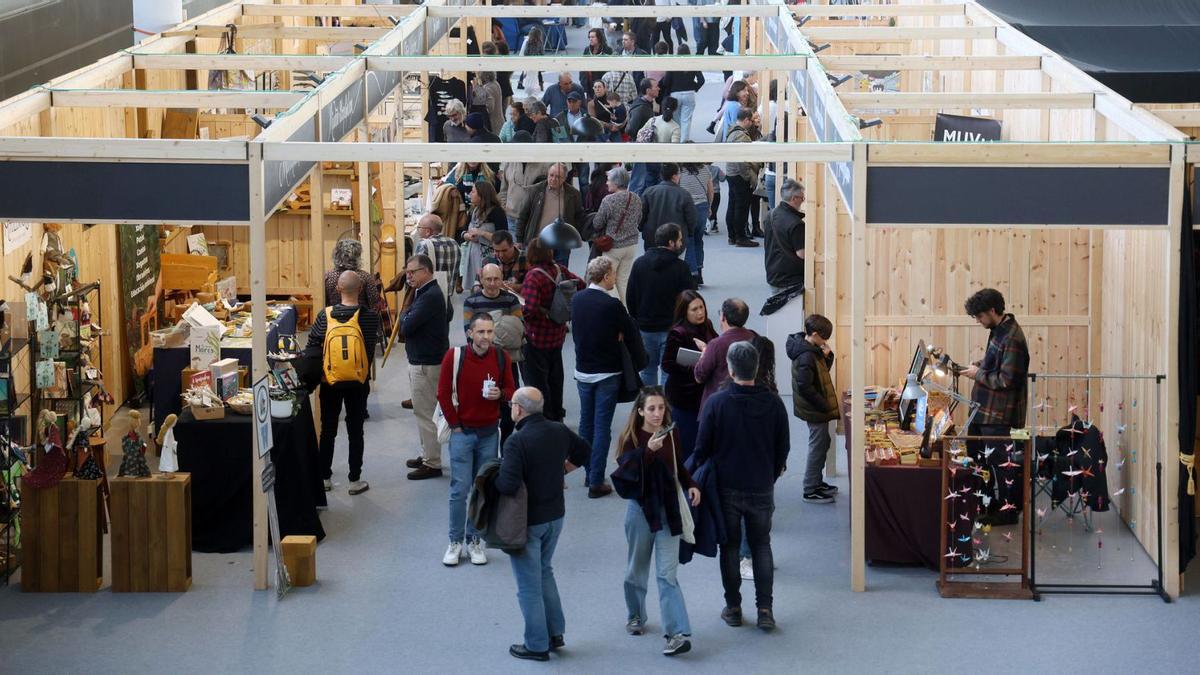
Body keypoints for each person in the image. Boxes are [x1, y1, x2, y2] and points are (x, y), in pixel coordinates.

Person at [692, 341, 790, 632]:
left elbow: (702, 449)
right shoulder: (774, 403)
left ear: (730, 369)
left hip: (726, 488)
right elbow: (783, 448)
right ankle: (765, 610)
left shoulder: (716, 403)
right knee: (761, 545)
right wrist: (769, 476)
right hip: (761, 486)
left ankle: (733, 607)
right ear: (756, 368)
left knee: (730, 547)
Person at [496, 387, 591, 662]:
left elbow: (508, 484)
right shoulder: (558, 430)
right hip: (555, 516)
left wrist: (492, 477)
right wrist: (562, 471)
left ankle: (536, 645)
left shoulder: (516, 441)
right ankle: (555, 632)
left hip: (528, 521)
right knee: (545, 571)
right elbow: (584, 451)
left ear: (518, 409)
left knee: (528, 585)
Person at [613, 387, 700, 656]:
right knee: (636, 570)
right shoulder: (631, 437)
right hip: (641, 511)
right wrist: (648, 451)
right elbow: (625, 474)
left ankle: (676, 633)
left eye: (661, 408)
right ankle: (636, 614)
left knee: (667, 575)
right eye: (651, 408)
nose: (657, 413)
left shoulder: (671, 433)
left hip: (668, 509)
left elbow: (677, 465)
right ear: (640, 411)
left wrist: (691, 484)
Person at [438, 313, 517, 567]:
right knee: (459, 489)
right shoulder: (455, 356)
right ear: (470, 333)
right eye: (481, 332)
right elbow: (443, 394)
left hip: (489, 433)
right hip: (463, 432)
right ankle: (454, 541)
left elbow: (512, 391)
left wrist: (500, 394)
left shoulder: (501, 357)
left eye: (490, 332)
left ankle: (474, 540)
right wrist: (456, 426)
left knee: (481, 489)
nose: (486, 337)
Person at [570, 256, 642, 498]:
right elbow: (630, 330)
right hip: (607, 372)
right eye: (613, 273)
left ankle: (589, 472)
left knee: (586, 424)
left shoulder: (577, 299)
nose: (615, 277)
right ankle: (596, 480)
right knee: (602, 427)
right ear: (606, 276)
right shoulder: (612, 305)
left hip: (583, 371)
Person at [304, 270, 380, 496]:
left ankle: (324, 478)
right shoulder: (370, 317)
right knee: (356, 430)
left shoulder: (324, 315)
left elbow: (312, 347)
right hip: (359, 381)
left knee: (328, 429)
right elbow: (369, 348)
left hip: (331, 381)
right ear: (361, 289)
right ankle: (354, 480)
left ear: (337, 289)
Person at [960, 288, 1030, 523]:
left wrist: (977, 374)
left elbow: (1007, 380)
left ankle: (1008, 513)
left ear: (992, 311)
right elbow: (996, 363)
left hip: (998, 416)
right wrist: (979, 364)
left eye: (980, 316)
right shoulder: (999, 330)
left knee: (1002, 466)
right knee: (978, 459)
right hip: (984, 412)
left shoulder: (1013, 338)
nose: (978, 321)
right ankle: (987, 505)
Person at [520, 239, 584, 423]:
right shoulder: (559, 269)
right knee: (555, 378)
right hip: (557, 334)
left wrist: (519, 308)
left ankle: (544, 419)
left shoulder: (533, 276)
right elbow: (580, 284)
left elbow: (529, 309)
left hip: (536, 337)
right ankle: (557, 415)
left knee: (538, 382)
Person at [400, 254, 450, 480]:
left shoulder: (429, 296)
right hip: (424, 359)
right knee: (423, 411)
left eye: (413, 272)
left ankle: (432, 463)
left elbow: (406, 326)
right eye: (407, 272)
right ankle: (427, 454)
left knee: (426, 413)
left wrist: (405, 313)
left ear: (427, 271)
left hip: (426, 363)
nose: (408, 276)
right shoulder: (426, 292)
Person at [627, 223, 695, 386]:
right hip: (672, 328)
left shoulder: (639, 264)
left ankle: (649, 401)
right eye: (679, 240)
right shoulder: (681, 268)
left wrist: (639, 319)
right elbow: (689, 299)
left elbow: (631, 297)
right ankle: (666, 402)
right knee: (669, 371)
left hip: (646, 327)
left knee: (647, 370)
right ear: (671, 242)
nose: (681, 243)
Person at [787, 314, 840, 504]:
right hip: (814, 409)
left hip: (815, 407)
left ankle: (816, 482)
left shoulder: (811, 349)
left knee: (823, 443)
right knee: (817, 446)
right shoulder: (806, 355)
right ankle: (810, 489)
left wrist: (827, 357)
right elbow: (805, 386)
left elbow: (820, 374)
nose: (825, 341)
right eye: (824, 337)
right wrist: (824, 405)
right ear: (815, 334)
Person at [662, 290, 718, 460]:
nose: (700, 312)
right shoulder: (678, 333)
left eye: (701, 307)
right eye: (694, 309)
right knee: (687, 446)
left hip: (704, 394)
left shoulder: (707, 325)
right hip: (685, 397)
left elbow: (716, 346)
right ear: (684, 311)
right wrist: (698, 365)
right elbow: (667, 364)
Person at [591, 165, 643, 303]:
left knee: (608, 282)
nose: (607, 183)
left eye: (609, 180)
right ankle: (625, 310)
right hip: (631, 246)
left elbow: (597, 224)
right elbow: (639, 219)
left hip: (613, 247)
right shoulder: (636, 198)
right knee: (623, 281)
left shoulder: (608, 200)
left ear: (616, 182)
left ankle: (618, 309)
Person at [694, 298, 757, 411]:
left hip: (718, 408)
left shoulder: (716, 345)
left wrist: (704, 351)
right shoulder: (755, 338)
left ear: (723, 316)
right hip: (749, 404)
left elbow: (699, 376)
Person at [516, 163, 585, 253]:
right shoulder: (534, 191)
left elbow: (579, 217)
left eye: (558, 177)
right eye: (551, 175)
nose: (553, 179)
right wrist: (519, 239)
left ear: (564, 178)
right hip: (537, 242)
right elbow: (522, 217)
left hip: (562, 244)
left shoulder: (574, 194)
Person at [724, 108, 762, 248]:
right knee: (741, 207)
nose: (752, 123)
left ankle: (732, 236)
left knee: (732, 205)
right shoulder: (742, 135)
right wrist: (748, 177)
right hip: (740, 176)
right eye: (751, 120)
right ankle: (741, 237)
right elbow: (743, 160)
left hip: (731, 173)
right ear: (746, 120)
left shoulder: (731, 131)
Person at [639, 163, 698, 250]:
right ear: (674, 176)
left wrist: (641, 228)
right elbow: (691, 218)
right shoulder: (684, 194)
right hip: (675, 240)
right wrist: (689, 233)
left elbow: (641, 215)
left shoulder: (649, 192)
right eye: (679, 173)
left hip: (652, 238)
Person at [462, 181, 508, 292]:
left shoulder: (497, 212)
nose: (470, 194)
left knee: (487, 286)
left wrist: (482, 233)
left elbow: (503, 237)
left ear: (482, 195)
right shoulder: (473, 211)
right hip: (473, 254)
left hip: (489, 256)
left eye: (473, 191)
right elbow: (463, 232)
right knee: (475, 287)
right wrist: (468, 236)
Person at [413, 214, 461, 317]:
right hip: (446, 301)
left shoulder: (424, 245)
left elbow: (415, 275)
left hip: (427, 301)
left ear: (428, 231)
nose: (418, 230)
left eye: (419, 227)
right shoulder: (454, 243)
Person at [764, 178, 806, 293]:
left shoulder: (770, 215)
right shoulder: (796, 224)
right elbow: (802, 254)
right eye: (802, 198)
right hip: (790, 278)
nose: (802, 201)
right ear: (794, 198)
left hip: (773, 272)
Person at [497, 134, 547, 231]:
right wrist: (505, 206)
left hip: (533, 218)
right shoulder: (509, 163)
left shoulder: (543, 165)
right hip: (511, 217)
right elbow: (504, 189)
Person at [678, 159, 713, 284]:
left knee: (689, 241)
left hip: (687, 208)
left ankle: (692, 274)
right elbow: (710, 190)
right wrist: (709, 206)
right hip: (702, 206)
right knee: (699, 239)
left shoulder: (680, 171)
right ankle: (699, 271)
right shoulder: (705, 169)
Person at [659, 47, 703, 143]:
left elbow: (666, 82)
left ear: (677, 53)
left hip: (675, 94)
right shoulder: (693, 63)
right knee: (686, 120)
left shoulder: (673, 64)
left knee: (675, 119)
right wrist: (694, 87)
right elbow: (701, 80)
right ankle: (684, 141)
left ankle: (676, 140)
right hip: (689, 94)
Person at [323, 239, 382, 310]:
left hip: (332, 316)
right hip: (361, 316)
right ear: (357, 256)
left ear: (336, 255)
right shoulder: (366, 277)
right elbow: (375, 305)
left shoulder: (327, 277)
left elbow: (321, 304)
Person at [579, 27, 613, 92]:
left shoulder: (607, 50)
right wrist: (582, 80)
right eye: (589, 37)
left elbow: (608, 67)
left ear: (599, 38)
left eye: (593, 37)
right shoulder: (587, 49)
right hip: (588, 81)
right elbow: (583, 65)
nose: (590, 39)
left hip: (601, 81)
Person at [517, 25, 545, 94]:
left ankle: (520, 83)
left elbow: (526, 52)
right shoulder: (539, 42)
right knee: (538, 72)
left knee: (525, 71)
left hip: (530, 60)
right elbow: (542, 53)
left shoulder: (528, 42)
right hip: (535, 60)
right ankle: (540, 85)